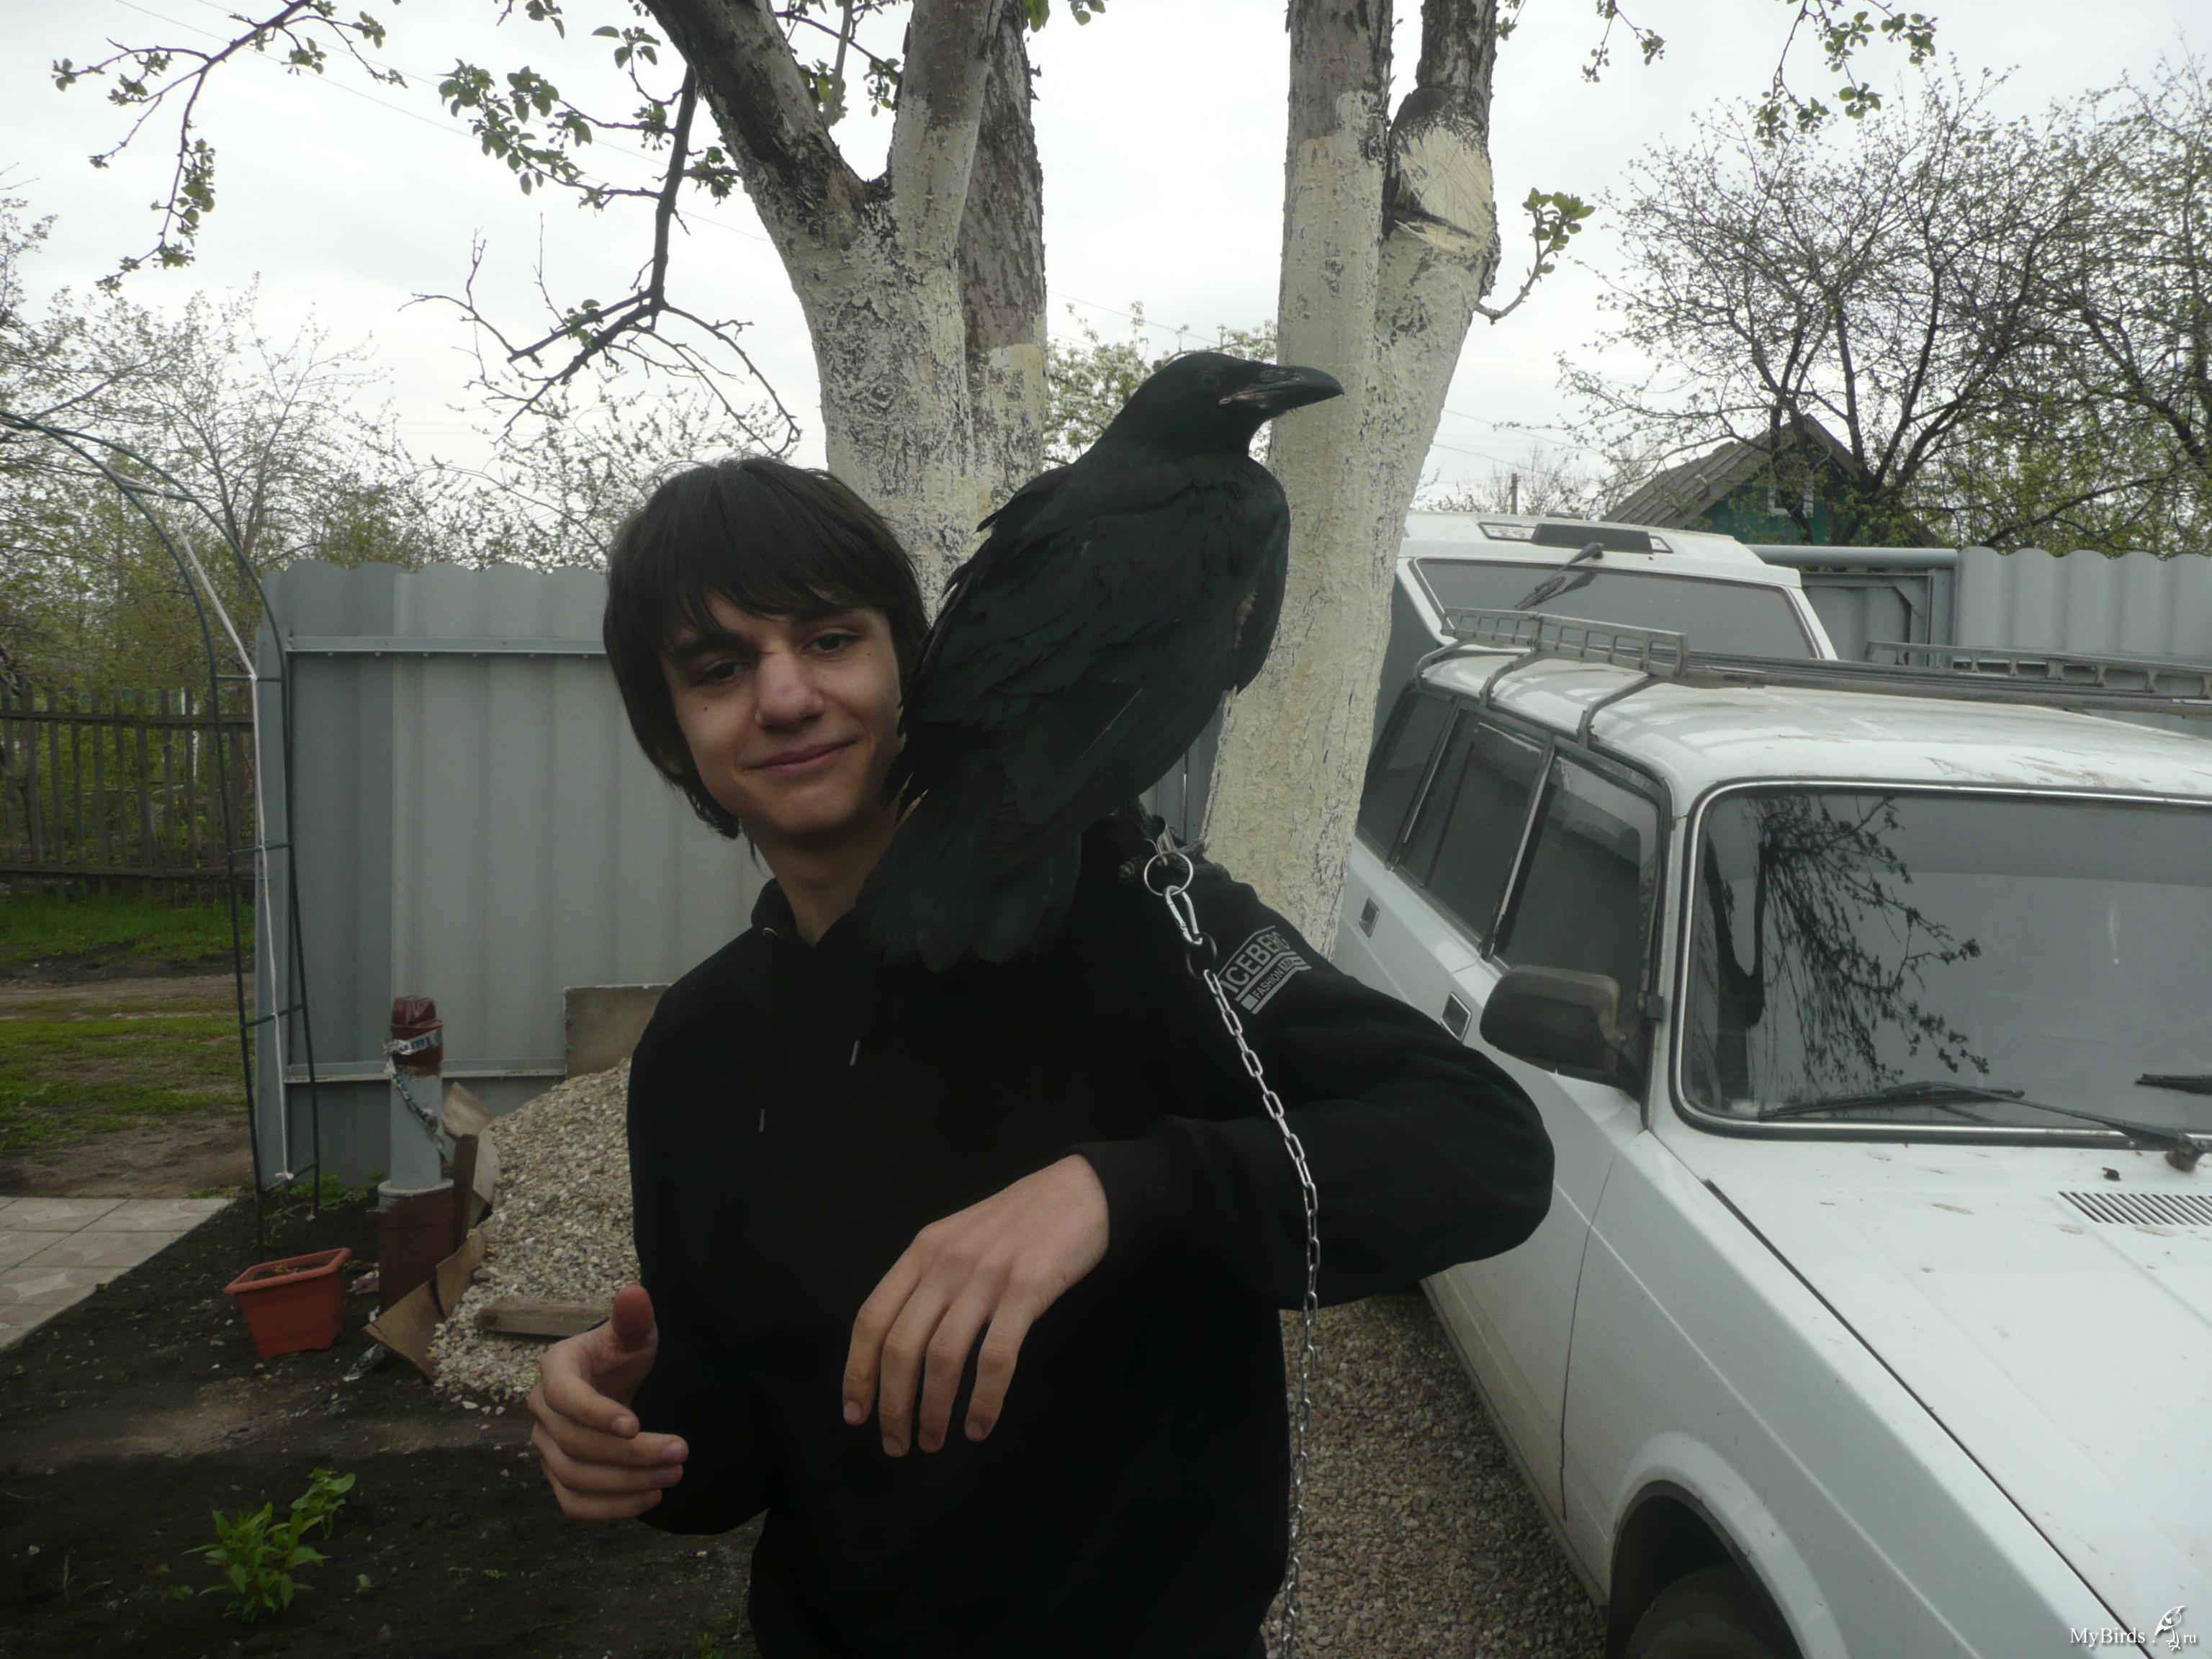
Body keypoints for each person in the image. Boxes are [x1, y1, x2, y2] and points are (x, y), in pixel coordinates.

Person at [527, 455, 1554, 1659]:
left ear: (916, 667)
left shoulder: (1133, 913)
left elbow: (1481, 1146)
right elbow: (737, 1457)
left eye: (831, 639)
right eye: (719, 669)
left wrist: (1116, 1191)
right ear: (671, 738)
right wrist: (631, 1427)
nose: (788, 696)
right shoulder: (699, 1048)